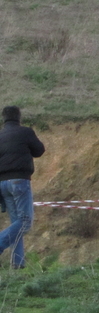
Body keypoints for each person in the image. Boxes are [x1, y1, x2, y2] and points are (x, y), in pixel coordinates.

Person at [0, 106, 46, 269]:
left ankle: (18, 264)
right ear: (19, 118)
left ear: (3, 119)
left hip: (2, 184)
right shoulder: (25, 132)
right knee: (25, 222)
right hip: (19, 181)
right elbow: (39, 150)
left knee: (16, 223)